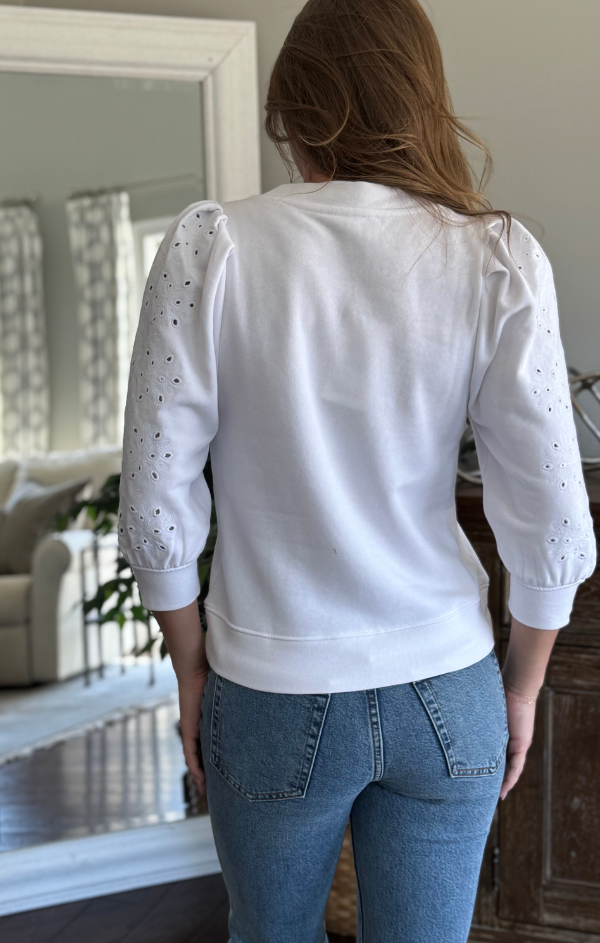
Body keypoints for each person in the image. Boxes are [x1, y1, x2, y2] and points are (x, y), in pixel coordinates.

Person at [118, 1, 595, 940]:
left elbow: (156, 499)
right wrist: (522, 687)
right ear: (420, 98)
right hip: (448, 685)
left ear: (295, 109)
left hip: (269, 683)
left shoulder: (214, 246)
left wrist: (189, 666)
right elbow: (551, 517)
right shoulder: (494, 254)